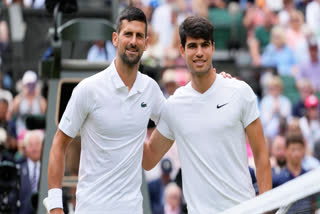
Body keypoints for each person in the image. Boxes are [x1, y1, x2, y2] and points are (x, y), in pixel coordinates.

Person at [143, 16, 272, 213]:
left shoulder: (240, 92)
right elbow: (149, 158)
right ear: (182, 50)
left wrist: (266, 208)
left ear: (212, 47)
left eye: (204, 45)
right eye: (193, 46)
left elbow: (262, 156)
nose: (199, 52)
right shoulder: (175, 105)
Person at [46, 7, 165, 214]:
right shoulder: (88, 89)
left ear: (146, 44)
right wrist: (55, 206)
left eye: (139, 36)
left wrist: (218, 85)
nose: (133, 41)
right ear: (115, 39)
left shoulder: (151, 89)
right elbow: (58, 143)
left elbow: (177, 119)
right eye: (128, 34)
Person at [19, 130, 44, 214]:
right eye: (30, 145)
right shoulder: (19, 168)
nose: (34, 148)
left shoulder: (48, 167)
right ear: (25, 148)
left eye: (37, 144)